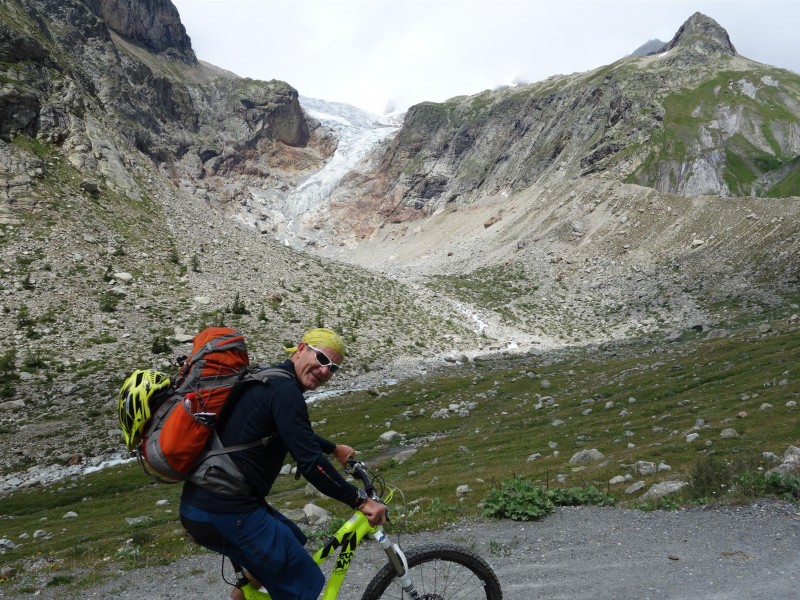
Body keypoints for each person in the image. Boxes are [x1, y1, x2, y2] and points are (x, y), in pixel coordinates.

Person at [179, 327, 387, 600]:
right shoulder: (286, 392)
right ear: (301, 349)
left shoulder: (268, 378)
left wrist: (333, 448)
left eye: (333, 368)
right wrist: (360, 500)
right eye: (322, 359)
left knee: (294, 539)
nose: (325, 371)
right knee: (306, 583)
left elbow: (292, 432)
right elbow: (312, 464)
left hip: (208, 503)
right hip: (225, 510)